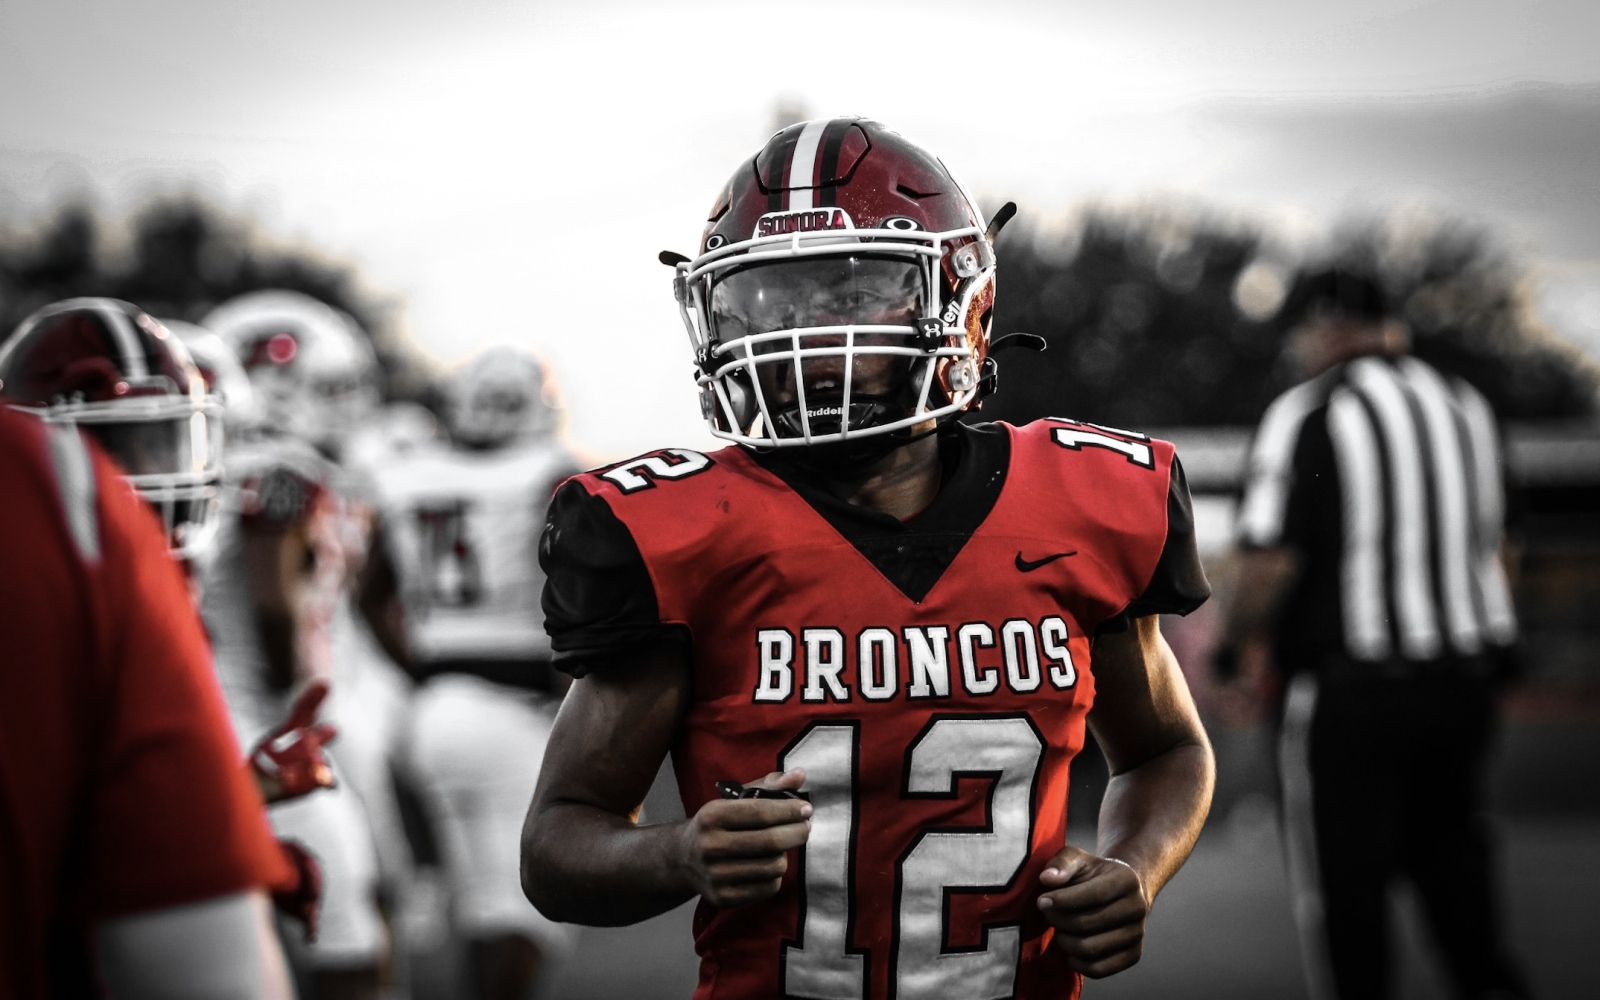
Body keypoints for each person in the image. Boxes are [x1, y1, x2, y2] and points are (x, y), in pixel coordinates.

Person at [521, 117, 1216, 1000]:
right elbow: (555, 848)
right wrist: (677, 853)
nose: (809, 333)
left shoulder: (1080, 507)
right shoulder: (684, 535)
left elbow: (1165, 752)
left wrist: (1134, 867)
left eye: (853, 291)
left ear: (960, 298)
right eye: (774, 300)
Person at [1217, 267, 1527, 1000]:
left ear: (1322, 327)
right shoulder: (1464, 404)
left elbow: (1270, 559)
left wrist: (1233, 648)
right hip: (1462, 683)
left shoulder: (1309, 410)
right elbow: (1503, 548)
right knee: (1459, 883)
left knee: (1346, 900)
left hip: (1350, 693)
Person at [0, 379, 295, 998]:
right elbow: (208, 969)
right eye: (120, 442)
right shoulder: (55, 493)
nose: (153, 469)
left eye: (164, 441)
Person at [202, 290, 406, 999]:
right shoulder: (282, 473)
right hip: (268, 716)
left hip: (245, 710)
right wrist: (296, 700)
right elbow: (273, 601)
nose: (343, 406)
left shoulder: (234, 466)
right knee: (345, 916)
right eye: (327, 388)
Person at [367, 347, 581, 999]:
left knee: (484, 905)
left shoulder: (407, 476)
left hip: (433, 708)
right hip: (513, 708)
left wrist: (424, 669)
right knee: (529, 911)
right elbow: (580, 595)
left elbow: (370, 595)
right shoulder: (549, 474)